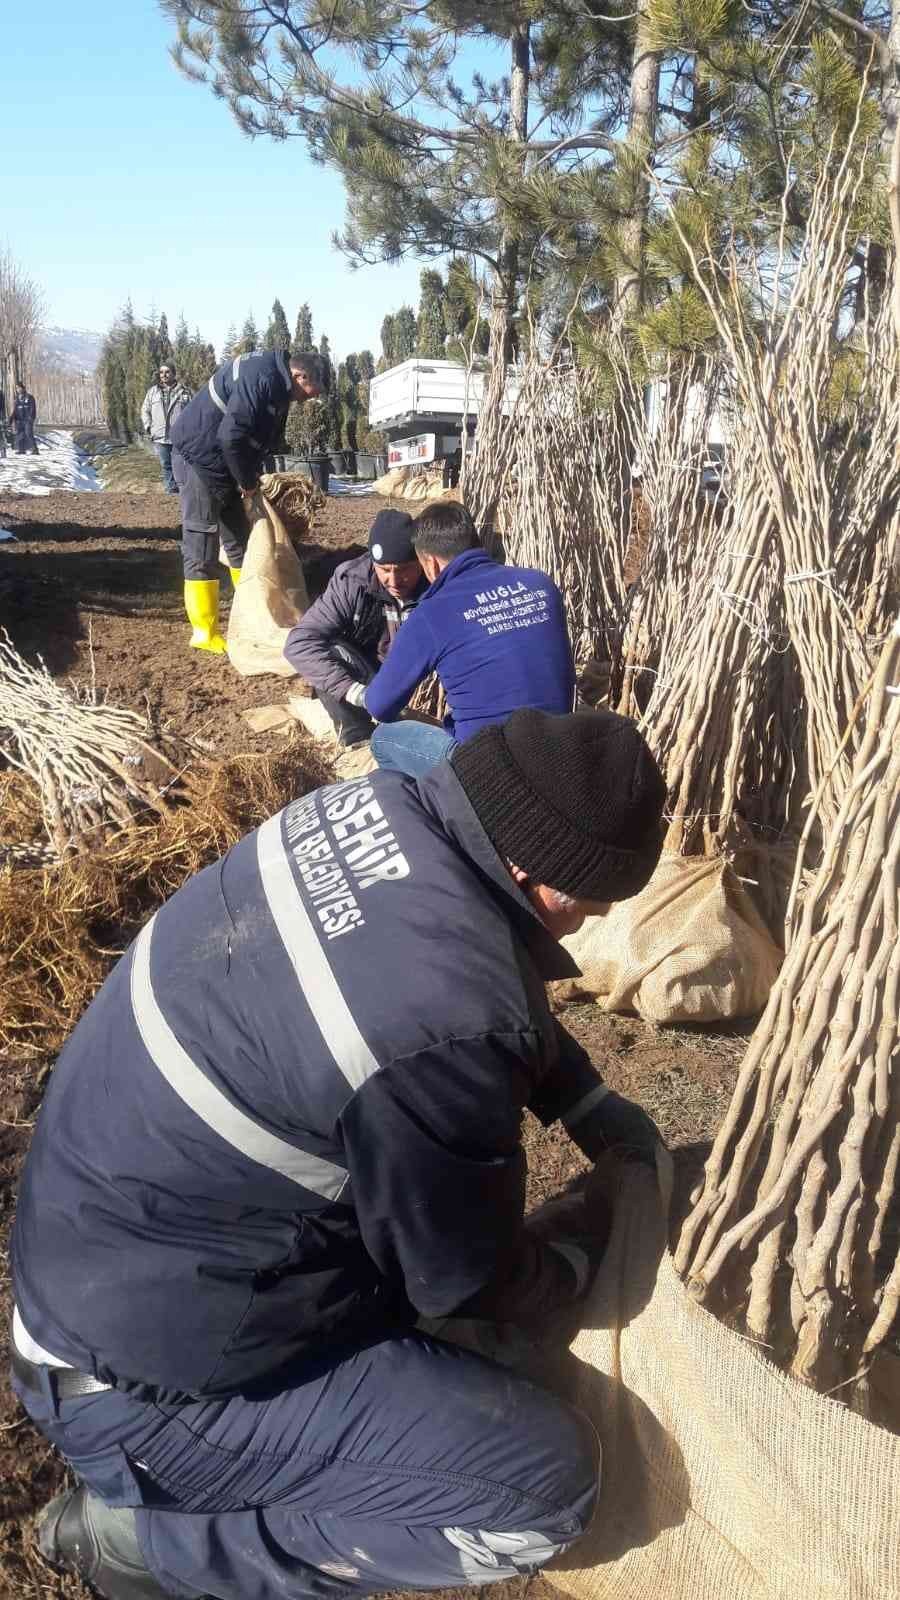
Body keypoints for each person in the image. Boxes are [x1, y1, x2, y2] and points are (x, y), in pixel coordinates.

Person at [11, 707, 666, 1600]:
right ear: (539, 880)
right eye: (598, 901)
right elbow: (459, 1277)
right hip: (146, 1394)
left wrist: (586, 1103)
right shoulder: (449, 1011)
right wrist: (572, 1267)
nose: (595, 921)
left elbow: (453, 982)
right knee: (541, 1484)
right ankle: (149, 1544)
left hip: (105, 1266)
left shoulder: (378, 816)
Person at [361, 501, 576, 777]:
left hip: (486, 771)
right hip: (558, 750)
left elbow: (380, 704)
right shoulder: (540, 584)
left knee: (384, 738)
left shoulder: (431, 613)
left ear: (432, 564)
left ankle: (441, 810)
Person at [170, 347, 324, 654]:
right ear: (300, 376)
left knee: (241, 540)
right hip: (198, 457)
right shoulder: (263, 377)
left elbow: (254, 439)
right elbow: (231, 436)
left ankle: (252, 614)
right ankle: (204, 631)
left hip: (224, 461)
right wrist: (248, 483)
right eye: (313, 389)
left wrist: (250, 477)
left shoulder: (277, 383)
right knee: (202, 539)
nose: (313, 396)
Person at [283, 508, 427, 748]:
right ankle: (358, 737)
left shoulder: (436, 584)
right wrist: (357, 693)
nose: (393, 580)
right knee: (329, 650)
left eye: (403, 570)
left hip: (420, 683)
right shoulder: (353, 582)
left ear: (421, 562)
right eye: (385, 570)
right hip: (369, 677)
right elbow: (300, 643)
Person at [140, 363, 191, 494]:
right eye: (161, 372)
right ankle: (170, 493)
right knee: (166, 465)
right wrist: (148, 426)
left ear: (174, 373)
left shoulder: (185, 392)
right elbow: (145, 410)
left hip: (179, 436)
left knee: (180, 465)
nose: (164, 375)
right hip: (160, 436)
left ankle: (183, 491)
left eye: (167, 372)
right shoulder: (152, 392)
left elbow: (193, 411)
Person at [10, 380, 38, 454]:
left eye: (19, 388)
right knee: (20, 435)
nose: (18, 390)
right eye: (17, 388)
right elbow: (15, 410)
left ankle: (34, 449)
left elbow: (33, 409)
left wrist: (30, 418)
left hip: (27, 420)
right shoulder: (17, 399)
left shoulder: (30, 397)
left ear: (23, 388)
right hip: (19, 420)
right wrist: (11, 418)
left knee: (29, 433)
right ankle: (21, 450)